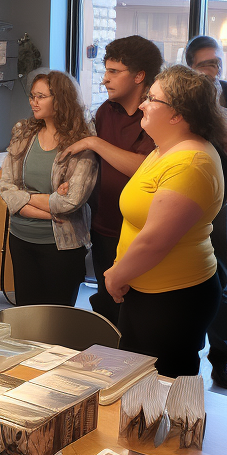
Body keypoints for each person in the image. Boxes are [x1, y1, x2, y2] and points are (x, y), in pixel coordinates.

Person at [103, 66, 227, 376]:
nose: (143, 104)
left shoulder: (191, 163)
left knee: (161, 391)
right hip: (147, 290)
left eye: (152, 99)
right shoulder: (164, 151)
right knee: (137, 386)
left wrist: (117, 276)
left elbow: (155, 241)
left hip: (173, 298)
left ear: (177, 115)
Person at [62, 35, 160, 324]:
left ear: (140, 76)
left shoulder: (155, 114)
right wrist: (73, 184)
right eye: (105, 71)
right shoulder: (107, 111)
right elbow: (97, 166)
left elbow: (145, 167)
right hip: (105, 227)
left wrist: (94, 143)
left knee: (140, 314)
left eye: (114, 72)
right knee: (109, 310)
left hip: (143, 232)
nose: (105, 79)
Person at [185, 36, 227, 390]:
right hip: (181, 203)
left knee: (222, 282)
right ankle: (185, 359)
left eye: (218, 64)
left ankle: (222, 362)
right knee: (184, 280)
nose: (214, 71)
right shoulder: (178, 99)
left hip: (222, 203)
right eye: (205, 65)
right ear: (189, 66)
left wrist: (220, 121)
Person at [0, 70, 98, 306]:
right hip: (21, 239)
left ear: (60, 99)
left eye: (41, 96)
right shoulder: (24, 132)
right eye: (32, 96)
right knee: (27, 317)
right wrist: (48, 209)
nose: (34, 102)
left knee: (57, 320)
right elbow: (6, 188)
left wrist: (24, 198)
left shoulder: (81, 139)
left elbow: (71, 201)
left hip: (62, 245)